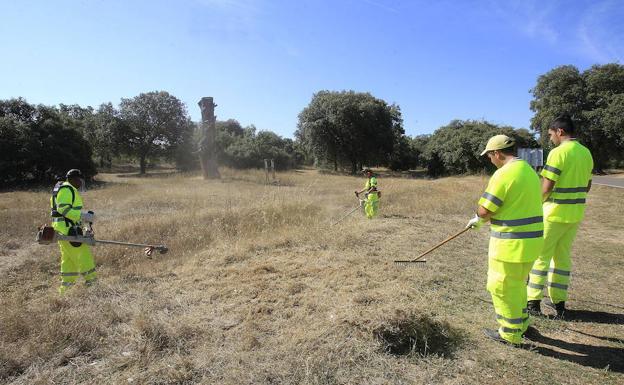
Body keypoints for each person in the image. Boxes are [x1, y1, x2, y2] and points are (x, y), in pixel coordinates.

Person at [466, 135, 544, 345]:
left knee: (500, 287)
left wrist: (478, 219)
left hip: (510, 244)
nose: (489, 160)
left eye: (489, 155)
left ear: (497, 153)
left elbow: (485, 210)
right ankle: (522, 324)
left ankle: (510, 334)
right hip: (532, 242)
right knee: (518, 285)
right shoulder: (528, 170)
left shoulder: (503, 174)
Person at [526, 115, 593, 317]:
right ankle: (560, 304)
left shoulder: (557, 153)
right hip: (575, 214)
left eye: (551, 134)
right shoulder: (585, 153)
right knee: (562, 259)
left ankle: (533, 303)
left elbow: (546, 187)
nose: (550, 138)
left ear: (560, 131)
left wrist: (535, 206)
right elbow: (588, 185)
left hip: (553, 214)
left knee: (540, 258)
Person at [50, 169, 97, 293]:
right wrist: (83, 216)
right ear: (72, 179)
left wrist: (84, 221)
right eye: (79, 180)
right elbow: (63, 210)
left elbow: (68, 212)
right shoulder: (66, 189)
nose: (81, 183)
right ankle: (93, 284)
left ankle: (65, 290)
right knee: (84, 256)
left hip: (63, 230)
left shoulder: (67, 189)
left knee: (68, 261)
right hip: (68, 231)